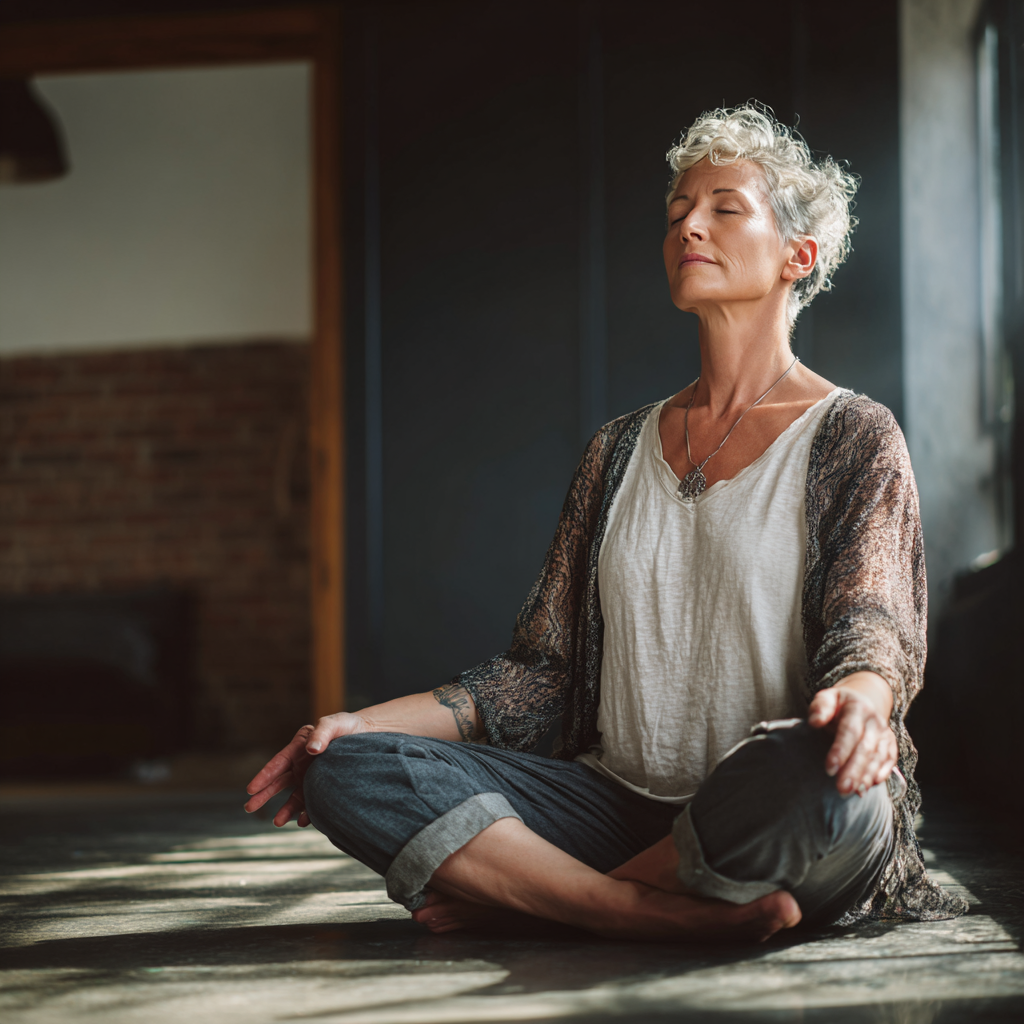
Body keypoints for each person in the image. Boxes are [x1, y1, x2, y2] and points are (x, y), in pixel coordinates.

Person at [245, 104, 966, 941]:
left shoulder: (854, 433)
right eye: (676, 215)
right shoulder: (616, 450)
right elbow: (538, 676)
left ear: (796, 256)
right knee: (348, 772)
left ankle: (533, 895)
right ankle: (634, 908)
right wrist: (356, 725)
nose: (689, 225)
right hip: (611, 806)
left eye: (724, 207)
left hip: (768, 795)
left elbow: (873, 622)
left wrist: (862, 708)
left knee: (827, 786)